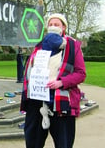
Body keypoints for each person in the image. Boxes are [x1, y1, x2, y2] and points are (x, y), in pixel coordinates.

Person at [20, 13, 86, 148]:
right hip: (37, 100)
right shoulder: (39, 46)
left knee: (64, 143)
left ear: (64, 27)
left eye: (57, 24)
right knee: (33, 142)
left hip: (61, 101)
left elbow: (80, 73)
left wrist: (61, 82)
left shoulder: (73, 46)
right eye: (50, 24)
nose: (53, 27)